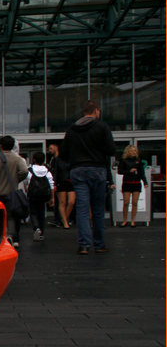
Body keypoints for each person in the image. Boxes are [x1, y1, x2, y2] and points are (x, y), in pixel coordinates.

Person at [60, 100, 116, 255]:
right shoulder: (102, 127)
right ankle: (99, 244)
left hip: (78, 170)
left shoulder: (72, 129)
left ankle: (84, 245)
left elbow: (63, 154)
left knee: (82, 209)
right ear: (96, 111)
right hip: (97, 169)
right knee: (98, 209)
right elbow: (111, 150)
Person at [0, 135, 28, 248]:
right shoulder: (18, 159)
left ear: (1, 146)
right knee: (11, 216)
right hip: (12, 192)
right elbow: (24, 171)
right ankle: (11, 236)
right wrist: (18, 178)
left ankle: (0, 237)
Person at [25, 152, 55, 241]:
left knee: (33, 212)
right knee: (42, 213)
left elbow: (27, 183)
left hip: (33, 194)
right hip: (44, 195)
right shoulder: (47, 170)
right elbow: (51, 184)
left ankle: (36, 227)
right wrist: (52, 197)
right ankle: (42, 233)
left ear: (34, 159)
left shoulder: (30, 170)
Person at [118, 145, 147, 227]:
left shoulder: (139, 161)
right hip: (127, 182)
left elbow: (142, 172)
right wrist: (129, 171)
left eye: (135, 151)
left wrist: (145, 182)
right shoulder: (124, 160)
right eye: (132, 151)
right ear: (128, 152)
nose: (134, 152)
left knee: (134, 202)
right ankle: (125, 220)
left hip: (136, 183)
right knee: (126, 202)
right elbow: (120, 171)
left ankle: (133, 220)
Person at [47, 143, 74, 228]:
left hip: (70, 181)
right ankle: (65, 222)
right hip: (61, 181)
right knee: (62, 202)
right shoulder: (57, 160)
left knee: (71, 202)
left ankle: (64, 219)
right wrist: (54, 183)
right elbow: (55, 172)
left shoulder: (71, 159)